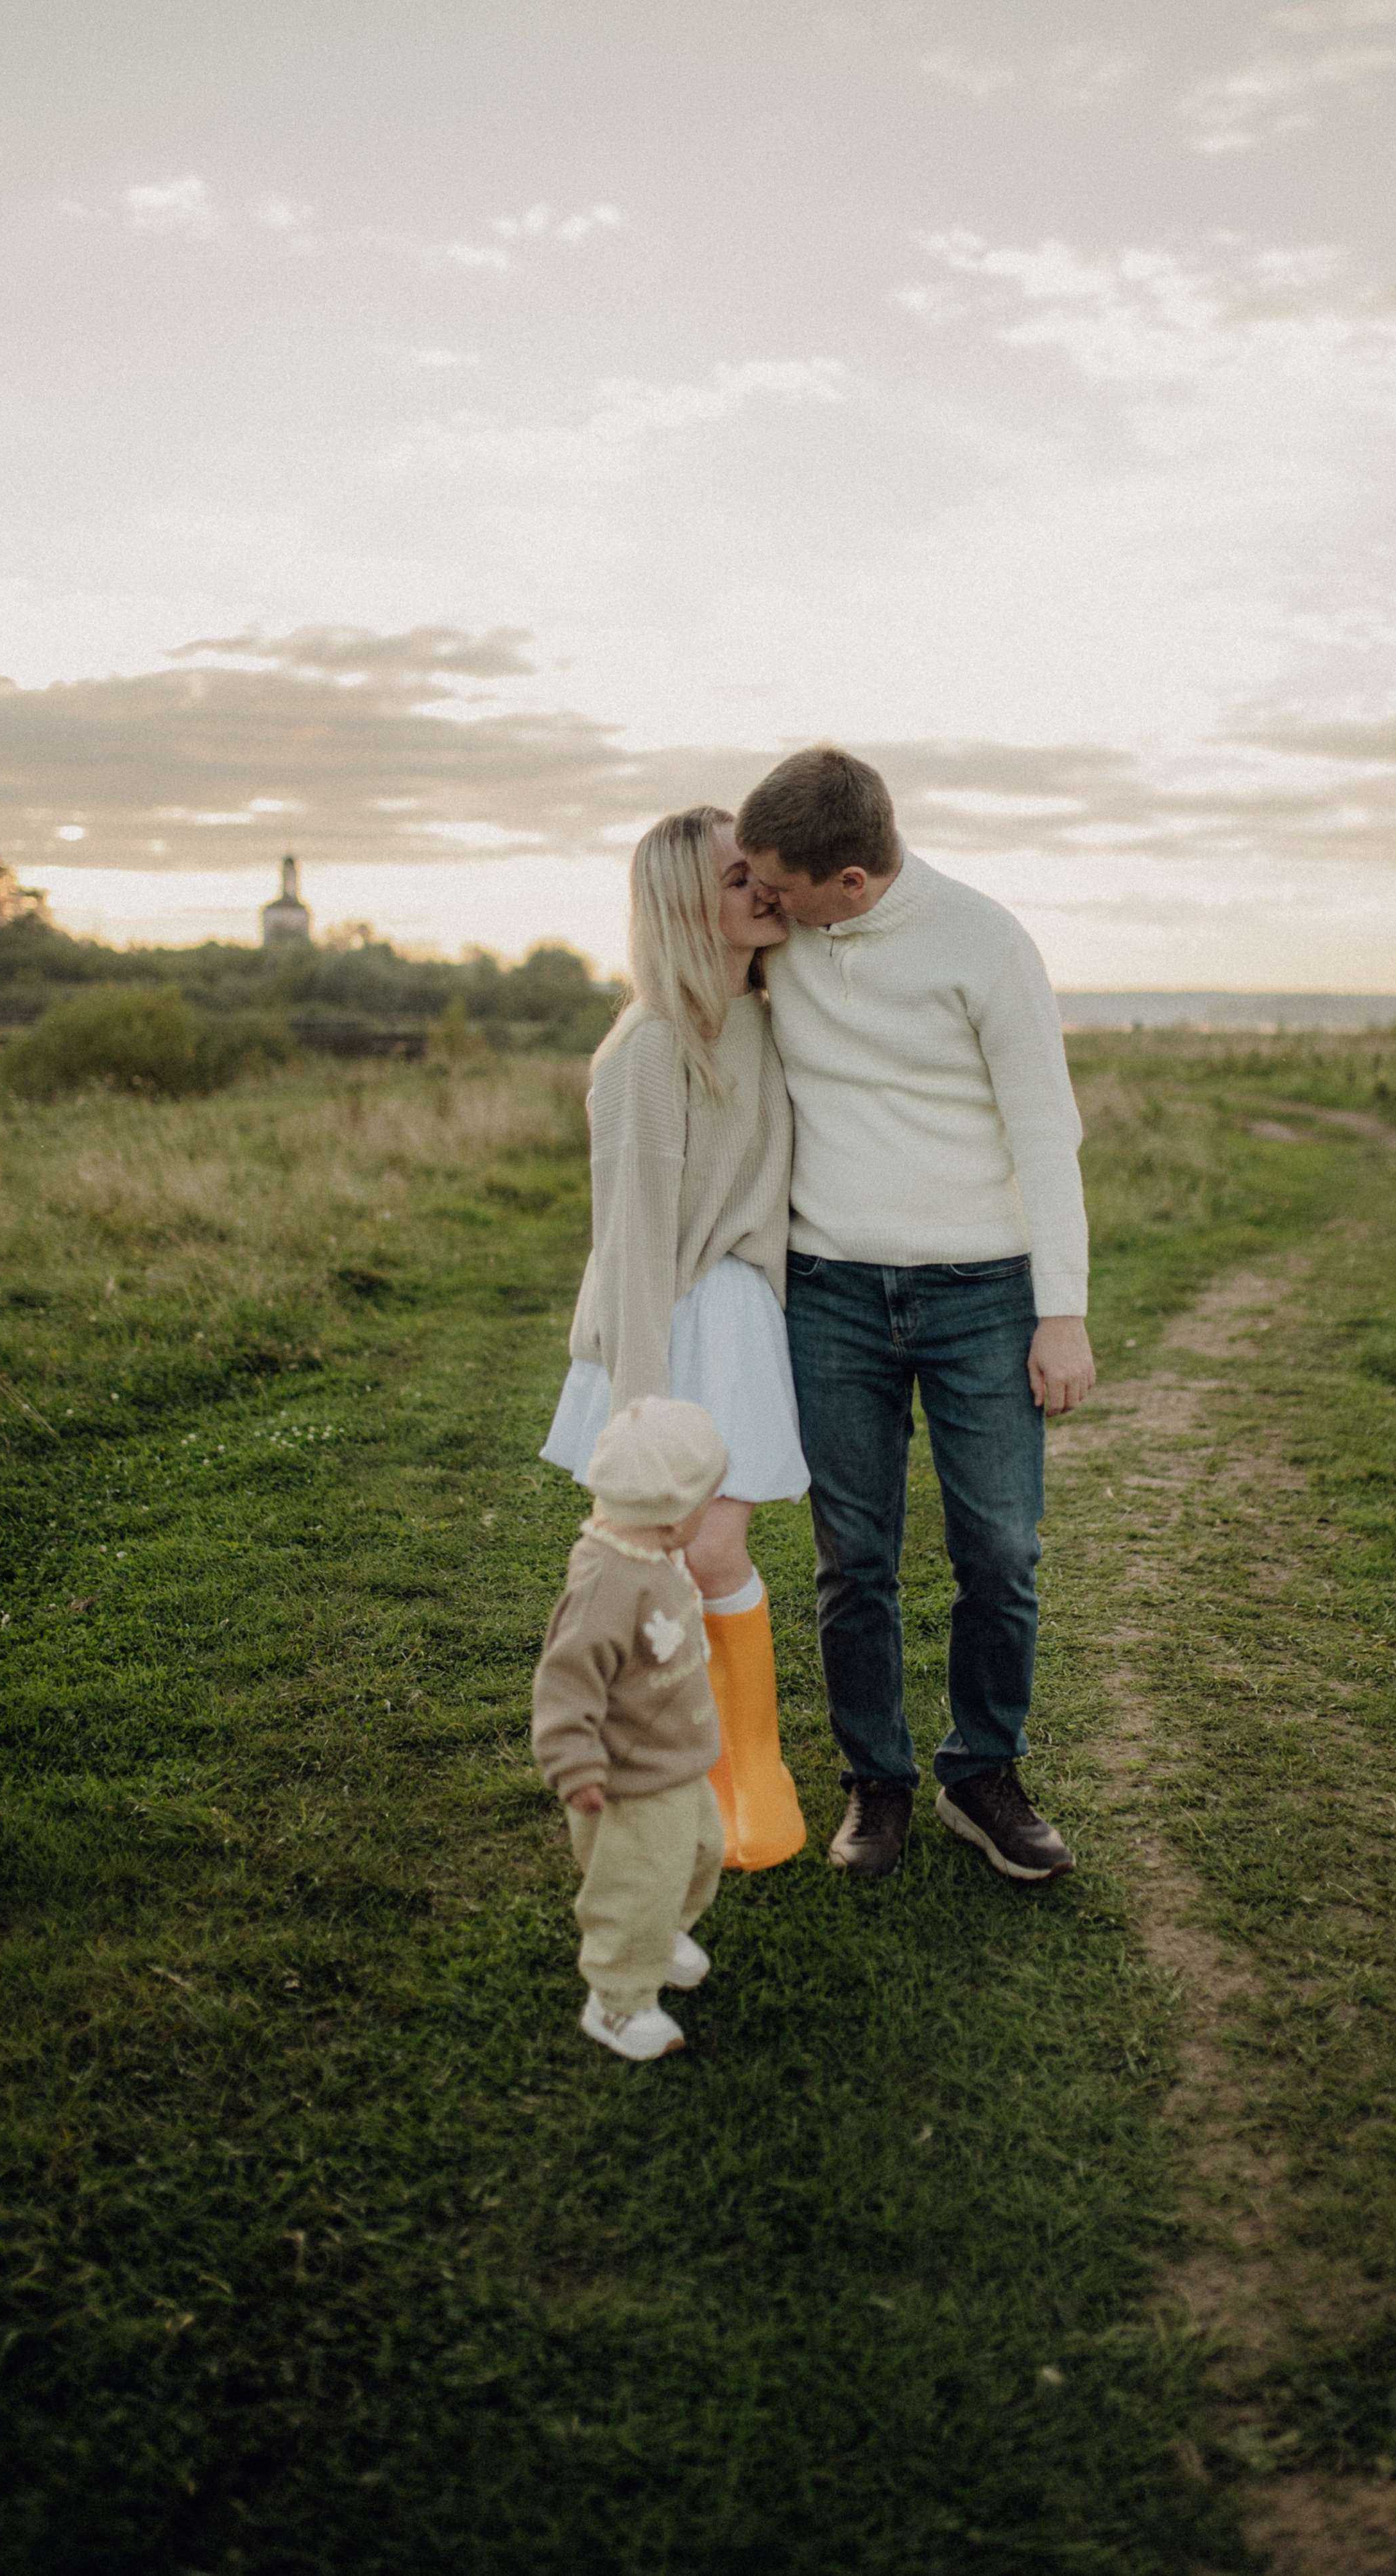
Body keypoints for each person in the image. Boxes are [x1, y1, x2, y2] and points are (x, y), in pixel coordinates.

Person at [736, 746, 1095, 1885]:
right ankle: (875, 1783)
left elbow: (1048, 1137)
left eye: (780, 884)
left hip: (986, 1294)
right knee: (856, 1560)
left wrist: (1062, 1314)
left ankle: (983, 1774)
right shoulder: (777, 942)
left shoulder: (986, 944)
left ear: (851, 880)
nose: (763, 902)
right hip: (830, 1292)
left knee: (999, 1548)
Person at [541, 805, 806, 1870]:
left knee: (712, 1551)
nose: (765, 890)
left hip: (743, 1313)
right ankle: (705, 1768)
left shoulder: (775, 1008)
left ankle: (754, 1766)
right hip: (673, 1315)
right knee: (685, 1549)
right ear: (685, 905)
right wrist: (638, 1413)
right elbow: (637, 1242)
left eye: (763, 872)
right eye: (740, 877)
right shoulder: (650, 1047)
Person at [532, 1398, 729, 2062]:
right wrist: (575, 1764)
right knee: (635, 1882)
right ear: (675, 1515)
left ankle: (664, 1927)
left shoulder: (652, 1555)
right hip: (629, 1776)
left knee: (701, 1851)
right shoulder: (606, 1582)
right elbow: (565, 1682)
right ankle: (615, 2001)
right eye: (710, 1499)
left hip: (676, 1757)